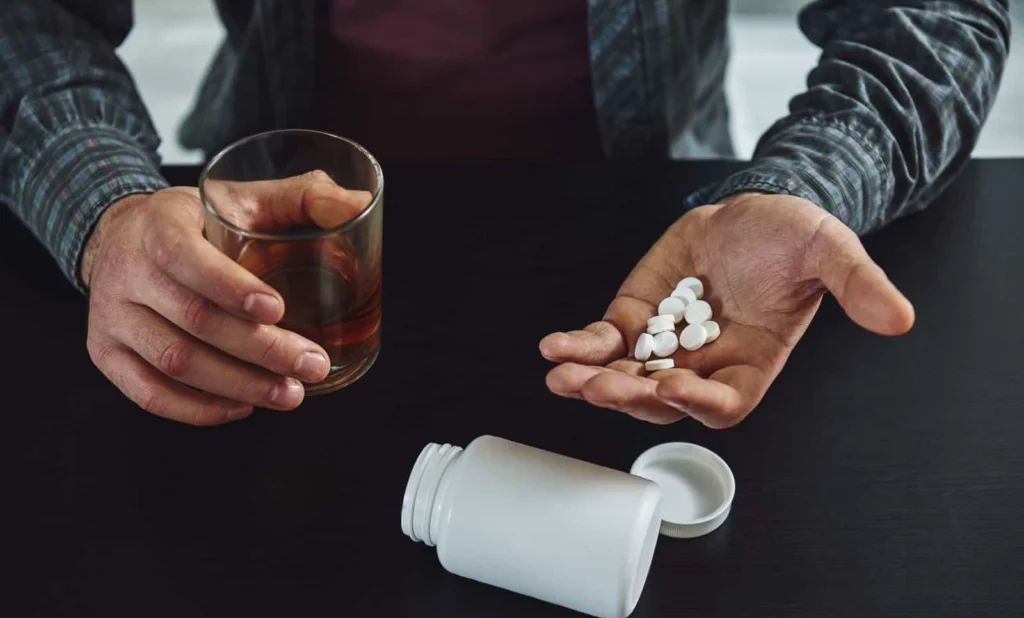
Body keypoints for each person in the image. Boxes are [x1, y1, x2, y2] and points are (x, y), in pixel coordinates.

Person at [0, 2, 1010, 427]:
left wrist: (805, 184)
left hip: (658, 221)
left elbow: (927, 14)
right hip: (275, 238)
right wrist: (104, 199)